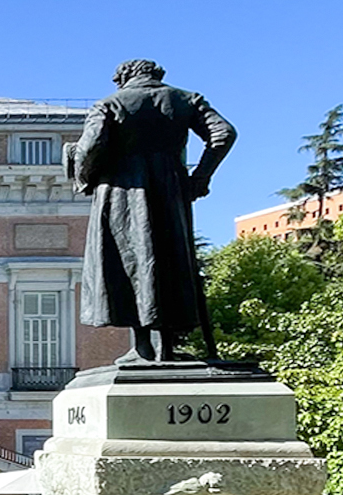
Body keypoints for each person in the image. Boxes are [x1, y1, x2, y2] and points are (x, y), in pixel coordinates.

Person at [71, 58, 236, 362]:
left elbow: (90, 146)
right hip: (170, 190)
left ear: (123, 78)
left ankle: (142, 346)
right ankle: (167, 348)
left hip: (122, 193)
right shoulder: (186, 100)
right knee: (169, 261)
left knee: (129, 264)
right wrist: (200, 176)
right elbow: (224, 133)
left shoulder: (109, 105)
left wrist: (83, 178)